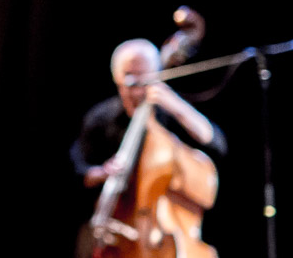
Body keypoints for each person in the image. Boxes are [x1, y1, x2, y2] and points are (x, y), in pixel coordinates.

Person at [70, 38, 226, 188]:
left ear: (156, 75)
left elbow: (217, 147)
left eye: (145, 78)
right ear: (116, 78)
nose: (138, 91)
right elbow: (78, 166)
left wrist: (179, 108)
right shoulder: (101, 117)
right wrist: (102, 173)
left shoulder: (171, 109)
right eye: (130, 79)